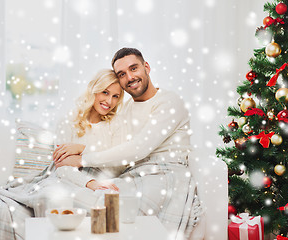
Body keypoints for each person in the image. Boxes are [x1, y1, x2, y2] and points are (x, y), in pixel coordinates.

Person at [53, 48, 204, 239]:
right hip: (133, 174)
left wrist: (82, 158)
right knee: (98, 200)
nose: (130, 77)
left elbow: (139, 148)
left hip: (166, 172)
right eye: (122, 74)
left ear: (146, 67)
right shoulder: (125, 109)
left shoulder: (169, 101)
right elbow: (116, 147)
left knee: (115, 209)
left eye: (134, 68)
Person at [0, 69, 127, 240]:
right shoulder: (69, 121)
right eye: (105, 92)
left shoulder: (117, 124)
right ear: (94, 89)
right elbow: (62, 167)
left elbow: (117, 161)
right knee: (51, 196)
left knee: (100, 200)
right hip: (67, 178)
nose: (109, 101)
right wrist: (90, 183)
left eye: (116, 96)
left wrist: (81, 150)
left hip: (104, 178)